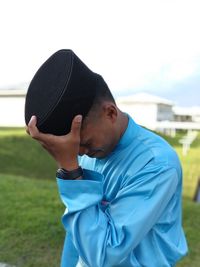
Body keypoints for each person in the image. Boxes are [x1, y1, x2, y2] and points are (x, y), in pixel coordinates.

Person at [26, 50, 188, 267]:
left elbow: (104, 254)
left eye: (85, 142)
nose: (80, 153)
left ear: (110, 112)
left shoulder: (156, 164)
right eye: (75, 147)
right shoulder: (93, 152)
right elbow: (78, 232)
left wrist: (72, 174)